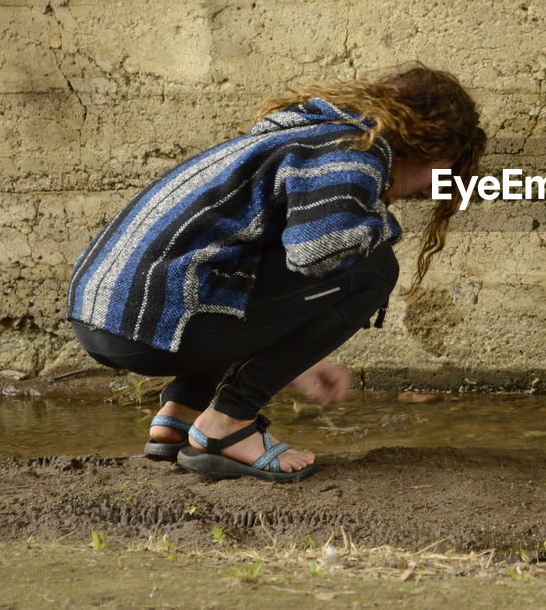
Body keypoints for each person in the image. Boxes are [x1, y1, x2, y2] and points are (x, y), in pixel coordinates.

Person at [66, 63, 486, 483]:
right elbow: (320, 253)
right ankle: (227, 424)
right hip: (147, 322)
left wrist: (297, 362)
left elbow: (258, 266)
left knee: (241, 261)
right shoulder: (357, 152)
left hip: (103, 315)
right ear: (432, 145)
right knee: (374, 268)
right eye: (446, 174)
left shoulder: (299, 136)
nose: (434, 190)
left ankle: (180, 413)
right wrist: (382, 224)